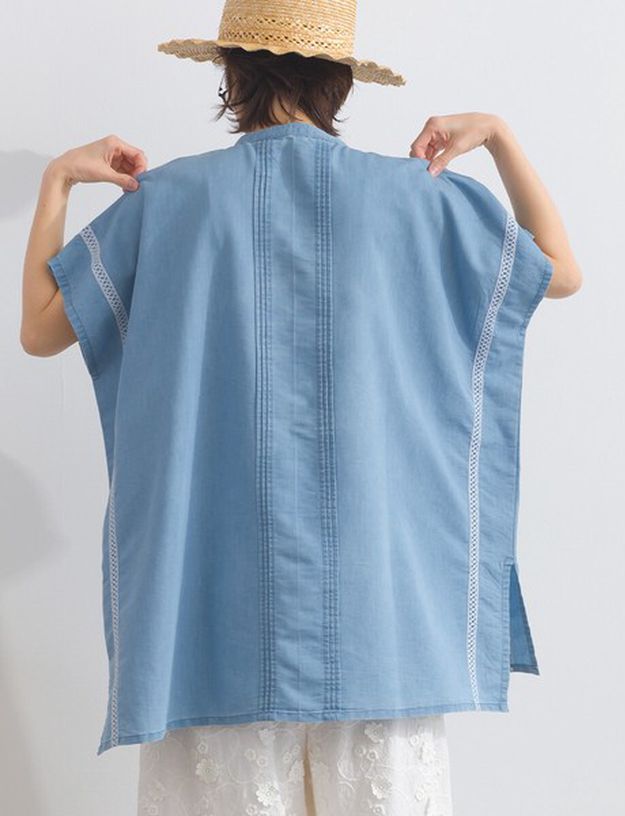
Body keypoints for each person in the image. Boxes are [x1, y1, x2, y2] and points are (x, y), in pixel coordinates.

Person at [20, 1, 581, 814]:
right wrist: (496, 136)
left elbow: (39, 329)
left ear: (230, 73)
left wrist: (59, 181)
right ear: (340, 81)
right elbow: (559, 271)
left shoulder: (168, 200)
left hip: (214, 616)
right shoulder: (413, 197)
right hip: (379, 618)